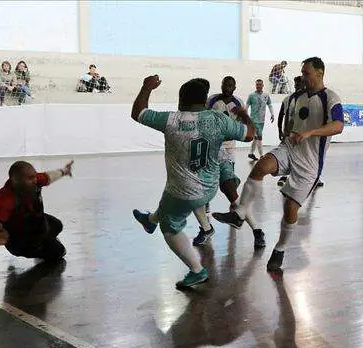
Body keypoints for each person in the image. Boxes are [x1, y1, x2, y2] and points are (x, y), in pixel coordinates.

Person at [212, 57, 344, 271]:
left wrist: (310, 132)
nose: (302, 77)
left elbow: (338, 126)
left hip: (309, 163)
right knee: (260, 166)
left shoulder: (330, 97)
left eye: (306, 73)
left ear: (320, 73)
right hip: (290, 147)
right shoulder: (298, 96)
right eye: (302, 72)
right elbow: (293, 119)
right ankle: (240, 213)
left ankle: (280, 249)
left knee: (290, 209)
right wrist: (288, 133)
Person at [131, 75, 255, 288]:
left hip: (183, 191)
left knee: (170, 227)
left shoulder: (171, 120)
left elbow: (138, 113)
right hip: (208, 188)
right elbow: (250, 135)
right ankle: (150, 220)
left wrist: (146, 87)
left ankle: (196, 270)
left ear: (181, 100)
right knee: (168, 201)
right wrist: (245, 116)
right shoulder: (218, 119)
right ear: (205, 100)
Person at [192, 76, 266, 248]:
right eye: (225, 84)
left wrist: (243, 118)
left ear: (235, 87)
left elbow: (244, 131)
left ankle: (257, 230)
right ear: (221, 85)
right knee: (199, 194)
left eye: (231, 84)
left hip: (227, 152)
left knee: (230, 192)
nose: (227, 87)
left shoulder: (238, 103)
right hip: (209, 150)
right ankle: (205, 228)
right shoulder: (211, 101)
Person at [0, 160, 74, 261]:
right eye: (30, 178)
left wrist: (65, 170)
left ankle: (44, 241)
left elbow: (49, 176)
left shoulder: (34, 181)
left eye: (34, 176)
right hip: (20, 240)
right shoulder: (4, 199)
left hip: (34, 223)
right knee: (59, 252)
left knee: (57, 225)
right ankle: (39, 247)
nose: (35, 180)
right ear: (15, 180)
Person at [276, 76, 304, 186]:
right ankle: (284, 176)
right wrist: (280, 130)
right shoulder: (288, 99)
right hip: (289, 133)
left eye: (299, 83)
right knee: (288, 154)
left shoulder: (309, 99)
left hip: (302, 133)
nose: (297, 85)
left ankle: (314, 177)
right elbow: (281, 115)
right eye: (296, 84)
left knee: (304, 156)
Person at [246, 79, 275, 161]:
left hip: (262, 120)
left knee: (256, 138)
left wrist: (272, 114)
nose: (258, 86)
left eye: (260, 85)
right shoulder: (251, 95)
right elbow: (247, 106)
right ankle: (262, 156)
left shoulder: (266, 95)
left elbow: (269, 105)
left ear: (262, 85)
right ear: (255, 85)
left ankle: (251, 153)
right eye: (257, 85)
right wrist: (245, 116)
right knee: (259, 137)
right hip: (253, 120)